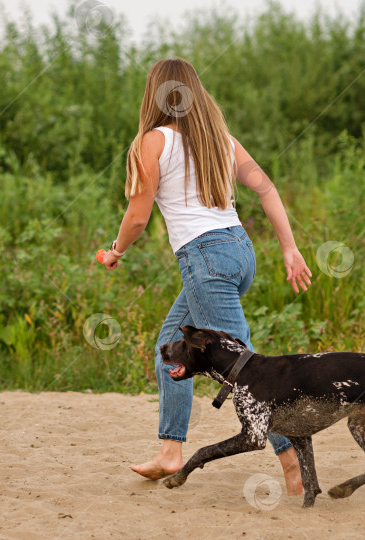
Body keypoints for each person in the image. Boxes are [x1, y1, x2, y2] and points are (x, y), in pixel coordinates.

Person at [98, 58, 313, 495]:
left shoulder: (152, 142)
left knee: (244, 370)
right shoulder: (220, 140)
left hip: (205, 260)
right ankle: (171, 450)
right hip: (239, 253)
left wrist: (116, 251)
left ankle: (294, 465)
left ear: (153, 94)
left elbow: (138, 216)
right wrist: (289, 247)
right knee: (170, 349)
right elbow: (266, 188)